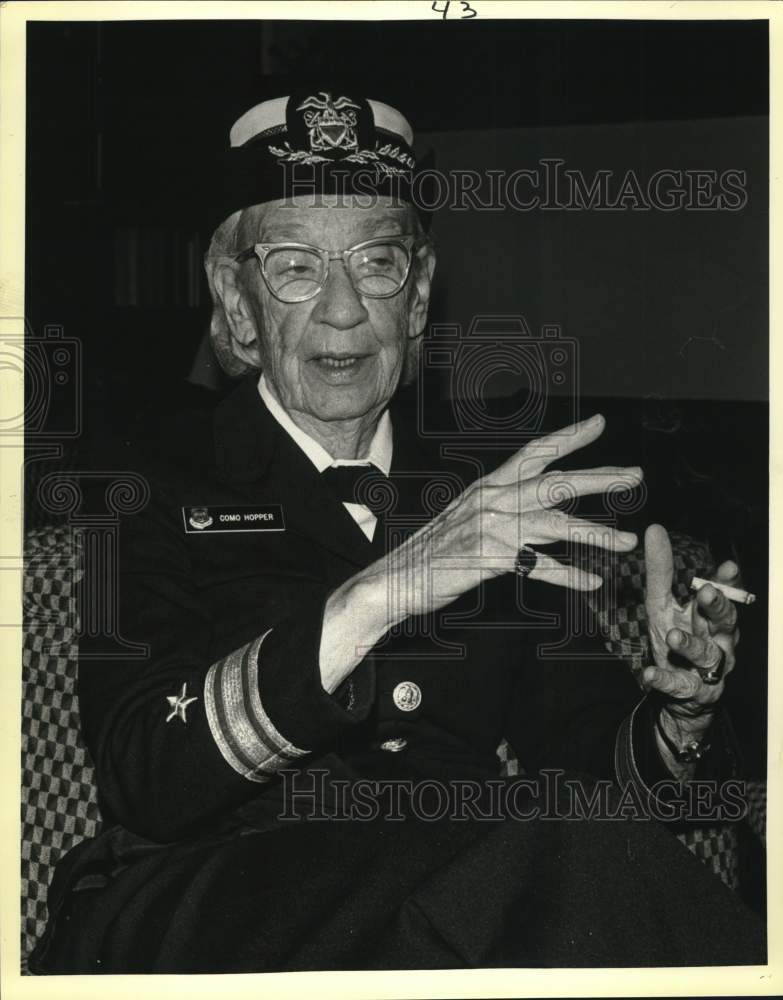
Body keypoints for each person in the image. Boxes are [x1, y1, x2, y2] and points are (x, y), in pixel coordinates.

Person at [30, 89, 764, 973]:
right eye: (296, 267)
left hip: (448, 907)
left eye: (377, 263)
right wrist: (380, 593)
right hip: (207, 904)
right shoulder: (144, 478)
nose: (342, 309)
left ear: (415, 298)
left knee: (563, 857)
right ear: (235, 299)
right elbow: (146, 771)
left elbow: (594, 759)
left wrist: (679, 713)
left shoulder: (484, 497)